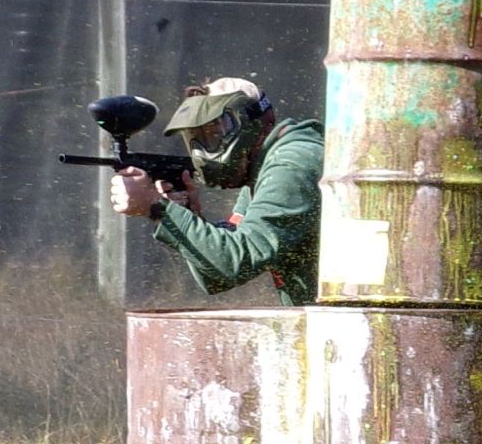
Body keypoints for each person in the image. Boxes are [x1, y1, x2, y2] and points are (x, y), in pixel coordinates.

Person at [108, 78, 323, 306]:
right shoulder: (261, 173)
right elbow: (217, 278)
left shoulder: (292, 165)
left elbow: (233, 263)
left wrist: (157, 208)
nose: (204, 150)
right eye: (199, 138)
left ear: (256, 121)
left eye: (216, 133)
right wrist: (189, 215)